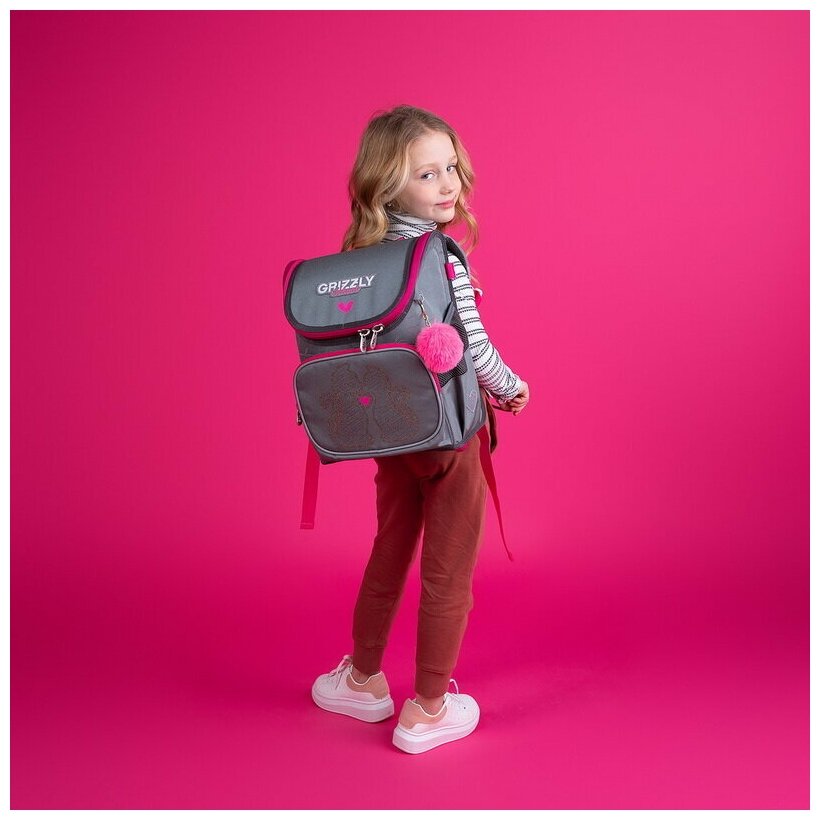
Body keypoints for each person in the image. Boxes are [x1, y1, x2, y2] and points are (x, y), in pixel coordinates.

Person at [310, 105, 530, 754]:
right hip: (452, 436)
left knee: (389, 549)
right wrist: (510, 387)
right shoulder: (441, 256)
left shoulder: (364, 259)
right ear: (386, 185)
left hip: (394, 434)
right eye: (426, 174)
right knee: (447, 570)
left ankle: (362, 678)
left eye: (451, 168)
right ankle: (430, 706)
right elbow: (475, 346)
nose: (447, 184)